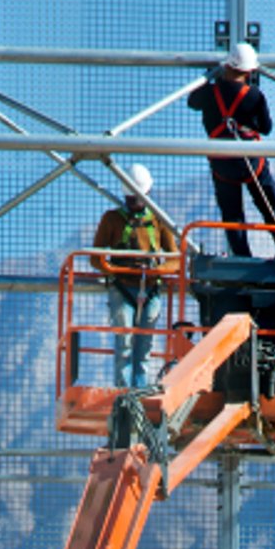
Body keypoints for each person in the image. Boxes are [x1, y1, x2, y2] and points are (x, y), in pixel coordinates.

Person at [187, 41, 275, 256]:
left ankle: (242, 255)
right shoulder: (253, 96)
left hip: (222, 163)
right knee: (267, 197)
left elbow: (192, 101)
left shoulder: (210, 93)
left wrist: (207, 79)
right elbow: (266, 128)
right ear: (250, 71)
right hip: (251, 161)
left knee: (232, 213)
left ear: (227, 66)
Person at [91, 165, 179, 389]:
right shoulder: (112, 219)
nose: (133, 203)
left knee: (143, 350)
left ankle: (138, 396)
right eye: (130, 199)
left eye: (137, 198)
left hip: (150, 289)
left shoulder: (159, 221)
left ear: (147, 194)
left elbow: (175, 259)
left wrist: (155, 271)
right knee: (125, 347)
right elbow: (95, 257)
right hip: (122, 288)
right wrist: (117, 270)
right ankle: (124, 397)